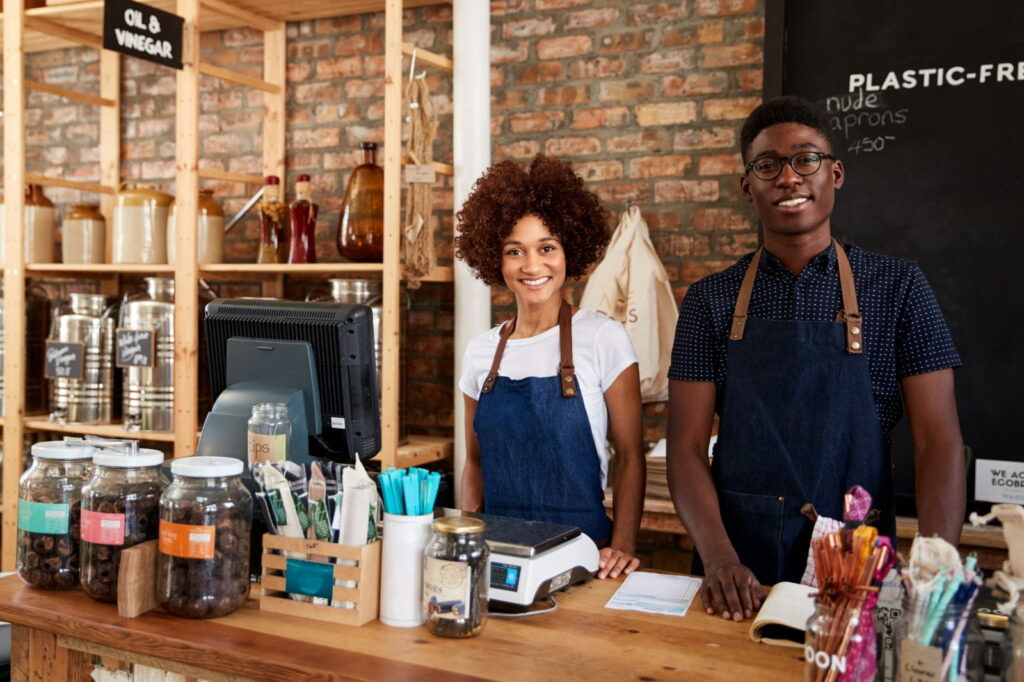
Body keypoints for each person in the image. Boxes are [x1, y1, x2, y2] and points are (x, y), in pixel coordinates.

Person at [666, 96, 965, 620]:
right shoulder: (709, 300)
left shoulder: (898, 288)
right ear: (746, 184)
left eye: (806, 159)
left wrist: (934, 566)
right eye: (767, 164)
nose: (788, 177)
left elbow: (938, 440)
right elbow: (686, 446)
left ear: (836, 174)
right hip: (738, 574)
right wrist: (718, 560)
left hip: (855, 556)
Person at [456, 155, 645, 579]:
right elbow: (476, 463)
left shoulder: (603, 339)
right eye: (514, 251)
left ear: (567, 252)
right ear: (495, 260)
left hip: (584, 557)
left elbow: (632, 456)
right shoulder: (480, 353)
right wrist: (466, 537)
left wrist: (624, 545)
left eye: (547, 248)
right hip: (499, 557)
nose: (532, 265)